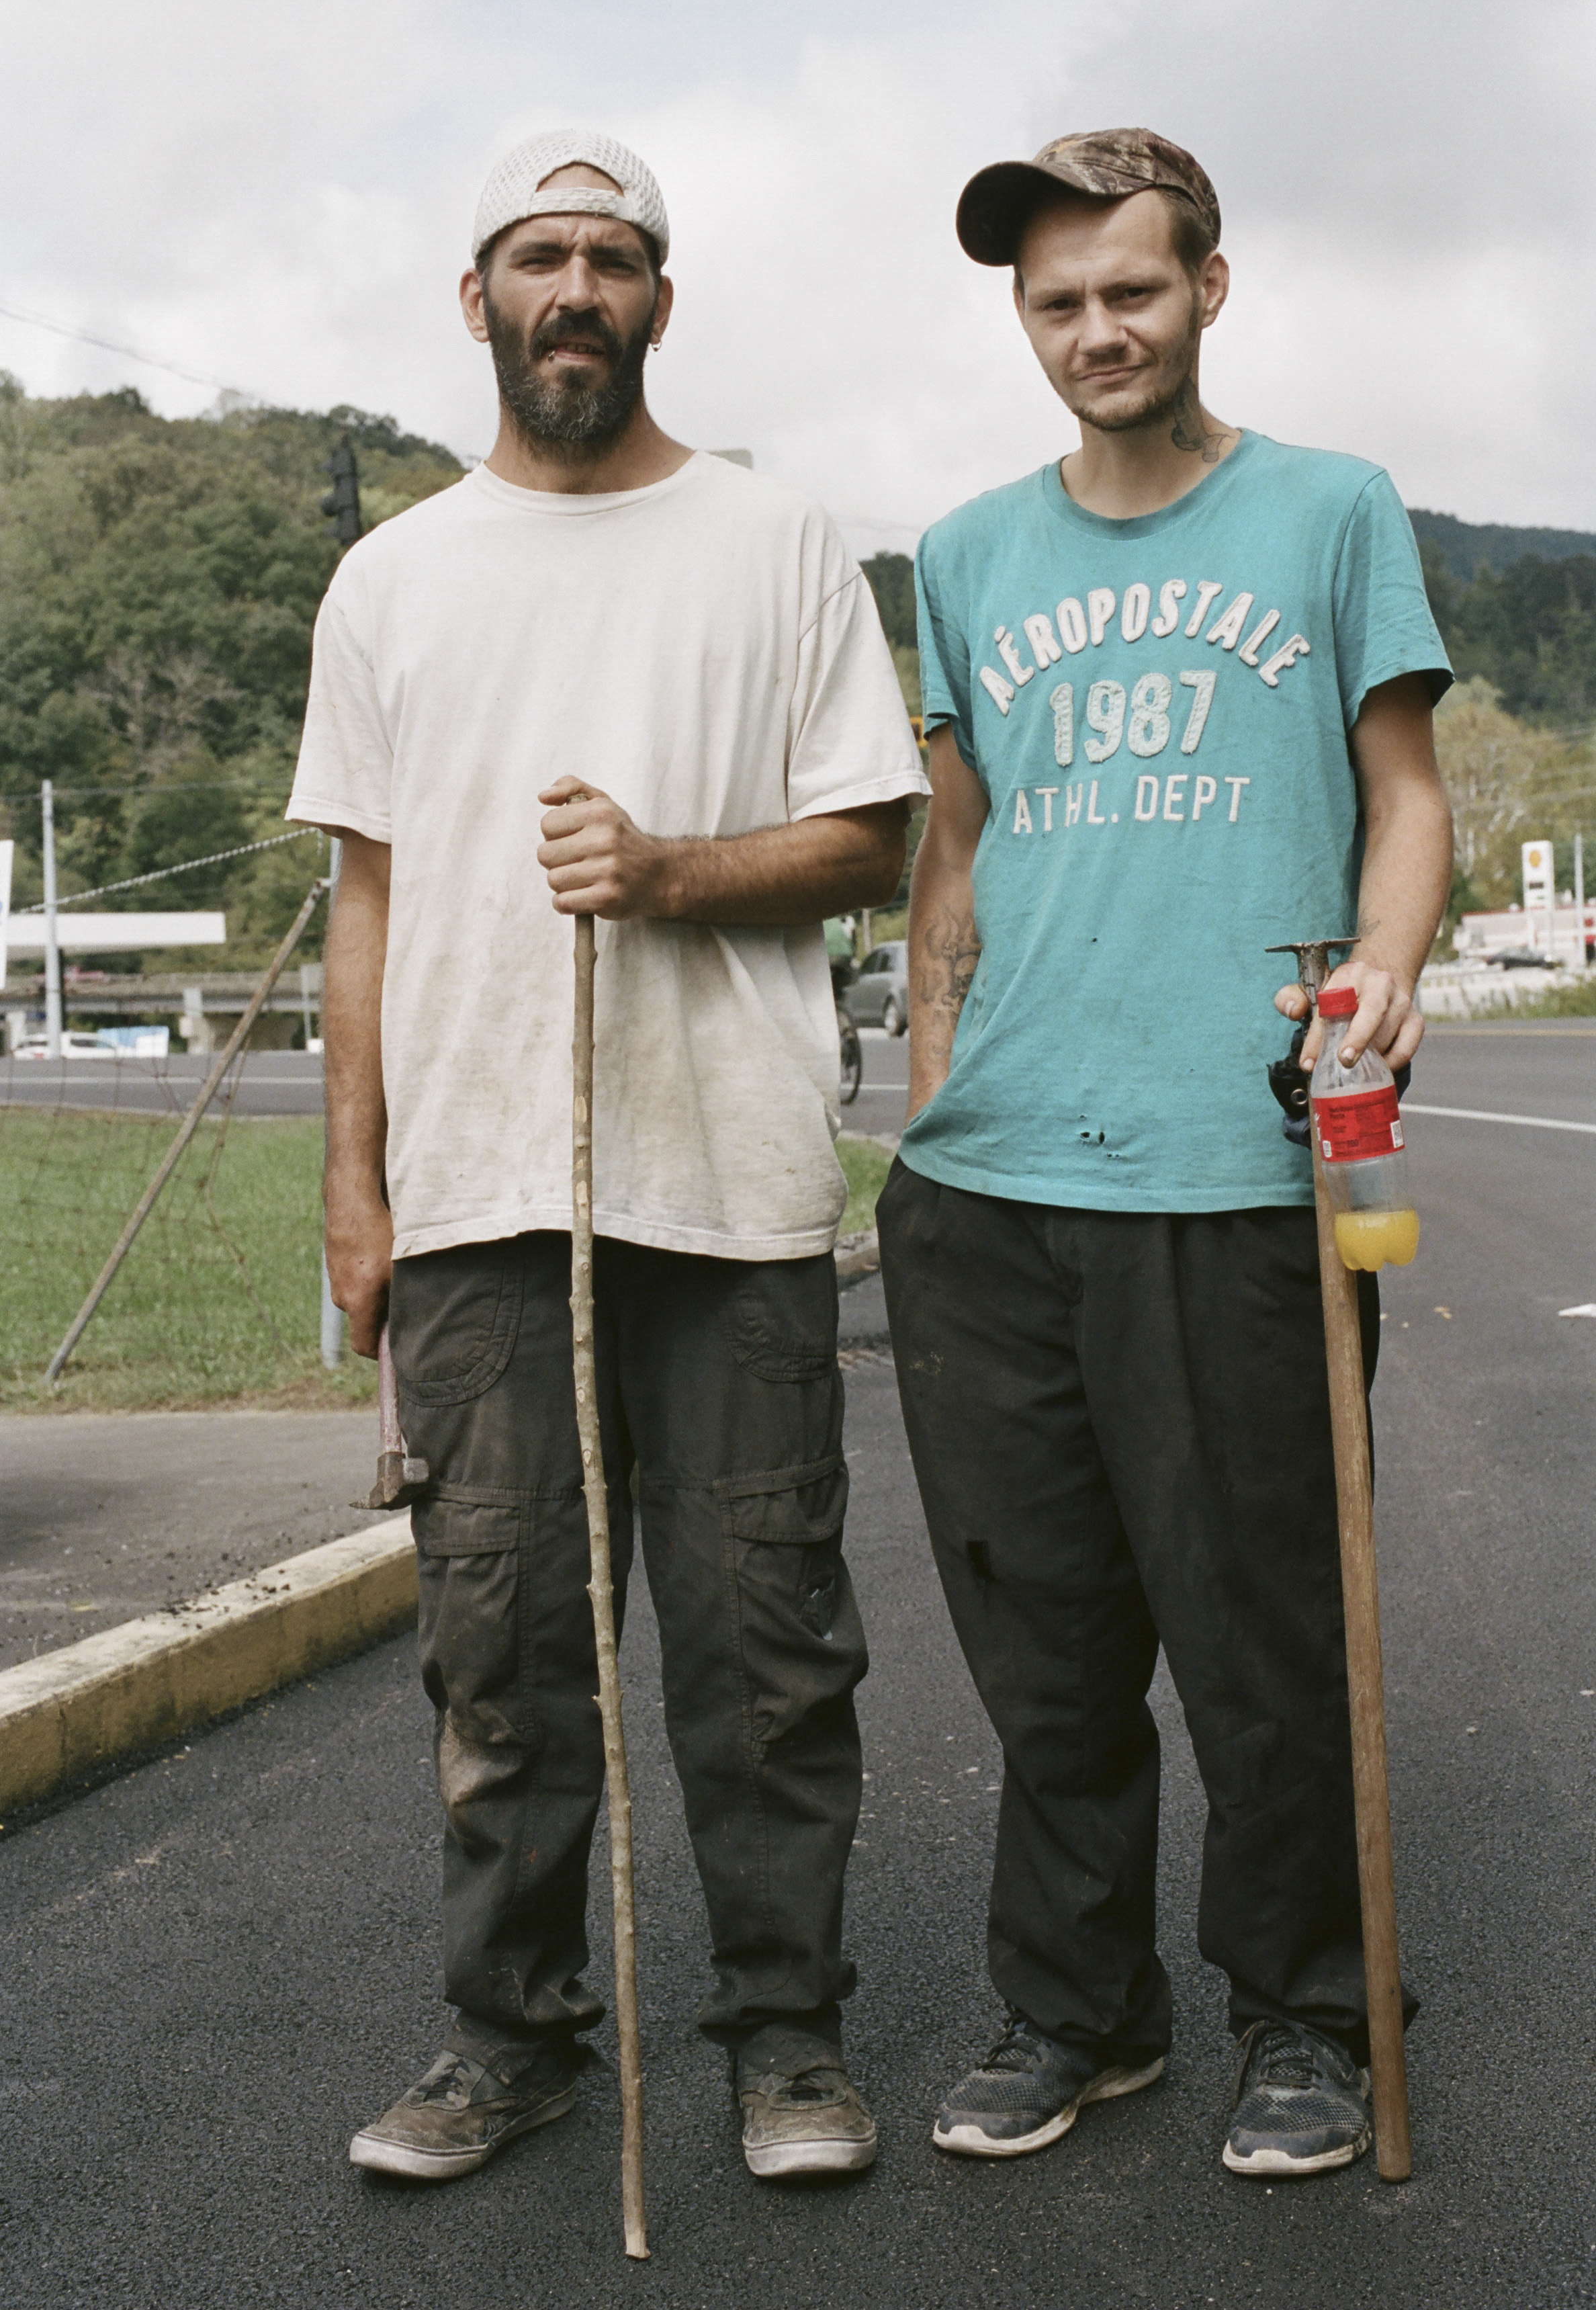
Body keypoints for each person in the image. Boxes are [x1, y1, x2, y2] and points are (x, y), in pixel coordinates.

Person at [287, 127, 928, 2186]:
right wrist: (352, 1188)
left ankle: (788, 2042)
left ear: (662, 299)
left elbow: (873, 834)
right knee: (498, 1659)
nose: (577, 288)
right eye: (539, 256)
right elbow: (366, 903)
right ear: (474, 298)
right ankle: (511, 2039)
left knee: (762, 1649)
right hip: (478, 1197)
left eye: (614, 257)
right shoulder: (391, 578)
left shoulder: (773, 540)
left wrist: (667, 874)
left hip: (726, 1190)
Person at [875, 127, 1452, 2178]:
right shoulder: (961, 556)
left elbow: (1405, 793)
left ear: (1212, 283)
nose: (1095, 330)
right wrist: (935, 1088)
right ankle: (1076, 2011)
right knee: (1045, 1655)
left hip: (1246, 1172)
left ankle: (1306, 2018)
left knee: (1268, 1641)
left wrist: (1384, 968)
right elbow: (958, 853)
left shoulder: (1329, 511)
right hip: (993, 1193)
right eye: (1056, 303)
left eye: (1131, 287)